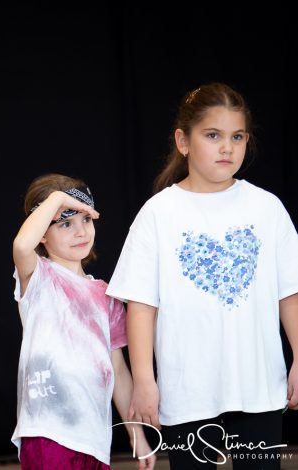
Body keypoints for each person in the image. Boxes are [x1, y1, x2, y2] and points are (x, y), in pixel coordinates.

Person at [106, 82, 298, 469]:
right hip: (187, 390)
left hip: (258, 385)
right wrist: (144, 380)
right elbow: (141, 306)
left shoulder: (267, 208)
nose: (227, 147)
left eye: (237, 136)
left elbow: (289, 293)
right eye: (213, 135)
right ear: (183, 141)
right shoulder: (158, 214)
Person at [11, 173, 156, 470]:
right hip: (47, 431)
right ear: (43, 234)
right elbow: (22, 246)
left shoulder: (106, 295)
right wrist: (58, 199)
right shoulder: (39, 277)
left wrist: (136, 435)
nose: (81, 232)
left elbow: (118, 370)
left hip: (94, 440)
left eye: (86, 220)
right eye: (65, 223)